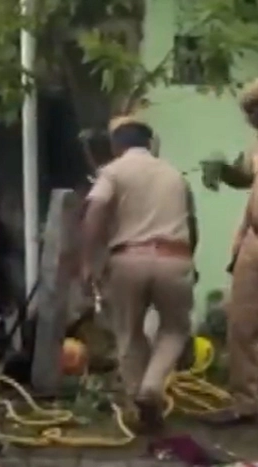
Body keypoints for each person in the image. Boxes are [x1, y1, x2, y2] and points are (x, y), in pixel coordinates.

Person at [81, 116, 198, 433]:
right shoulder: (174, 174)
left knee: (129, 333)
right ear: (149, 144)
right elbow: (191, 223)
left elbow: (94, 210)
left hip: (128, 260)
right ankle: (152, 387)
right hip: (174, 258)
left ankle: (138, 402)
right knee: (174, 329)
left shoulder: (113, 172)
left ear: (115, 146)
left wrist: (90, 261)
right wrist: (189, 260)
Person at [199, 79, 258, 425]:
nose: (252, 117)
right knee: (242, 322)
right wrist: (222, 169)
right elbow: (244, 177)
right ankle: (247, 400)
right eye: (250, 112)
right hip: (254, 241)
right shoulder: (256, 146)